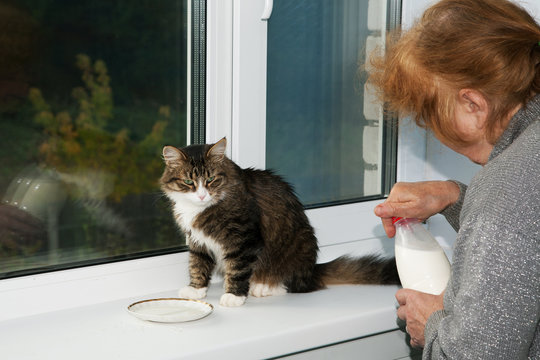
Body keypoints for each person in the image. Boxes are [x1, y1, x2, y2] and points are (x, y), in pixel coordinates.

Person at [367, 0, 540, 358]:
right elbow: (528, 236)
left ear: (473, 105)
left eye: (430, 114)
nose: (431, 128)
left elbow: (478, 354)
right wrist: (454, 196)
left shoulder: (508, 186)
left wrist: (429, 324)